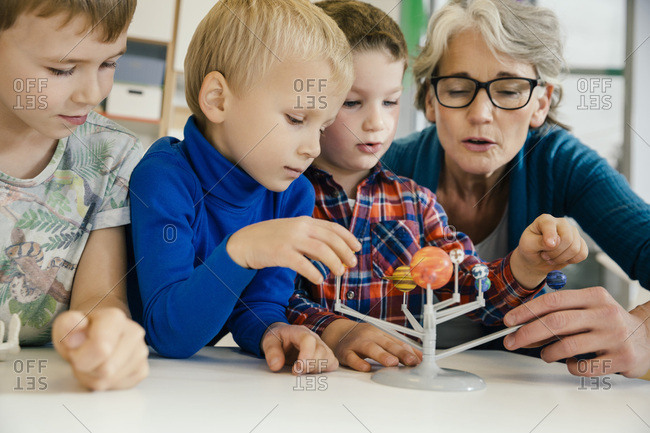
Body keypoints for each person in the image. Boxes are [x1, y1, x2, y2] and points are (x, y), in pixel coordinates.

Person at [287, 0, 587, 373]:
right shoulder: (279, 194)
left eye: (391, 101)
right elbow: (263, 300)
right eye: (351, 102)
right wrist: (334, 330)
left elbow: (469, 289)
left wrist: (524, 266)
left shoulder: (415, 201)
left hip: (397, 393)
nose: (376, 123)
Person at [381, 0, 650, 378]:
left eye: (508, 91)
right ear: (430, 99)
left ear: (540, 103)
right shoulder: (386, 167)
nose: (480, 113)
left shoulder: (559, 161)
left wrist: (643, 336)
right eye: (458, 90)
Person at [128, 0, 360, 375]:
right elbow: (169, 335)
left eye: (321, 126)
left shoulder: (293, 194)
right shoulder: (163, 178)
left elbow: (259, 304)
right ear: (218, 99)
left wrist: (273, 330)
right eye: (296, 118)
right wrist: (242, 250)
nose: (313, 148)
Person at [0, 0, 149, 390]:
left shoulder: (112, 156)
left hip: (45, 392)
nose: (92, 94)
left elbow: (100, 298)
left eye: (109, 63)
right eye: (62, 69)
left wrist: (106, 337)